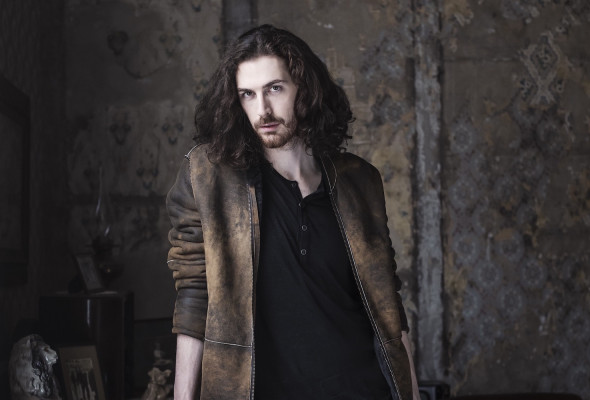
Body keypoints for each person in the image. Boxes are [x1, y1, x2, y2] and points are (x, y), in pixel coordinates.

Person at [166, 24, 420, 400]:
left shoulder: (359, 180)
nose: (263, 110)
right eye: (248, 94)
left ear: (304, 88)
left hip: (362, 388)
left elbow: (387, 303)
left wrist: (411, 393)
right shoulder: (206, 176)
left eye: (275, 89)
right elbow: (193, 298)